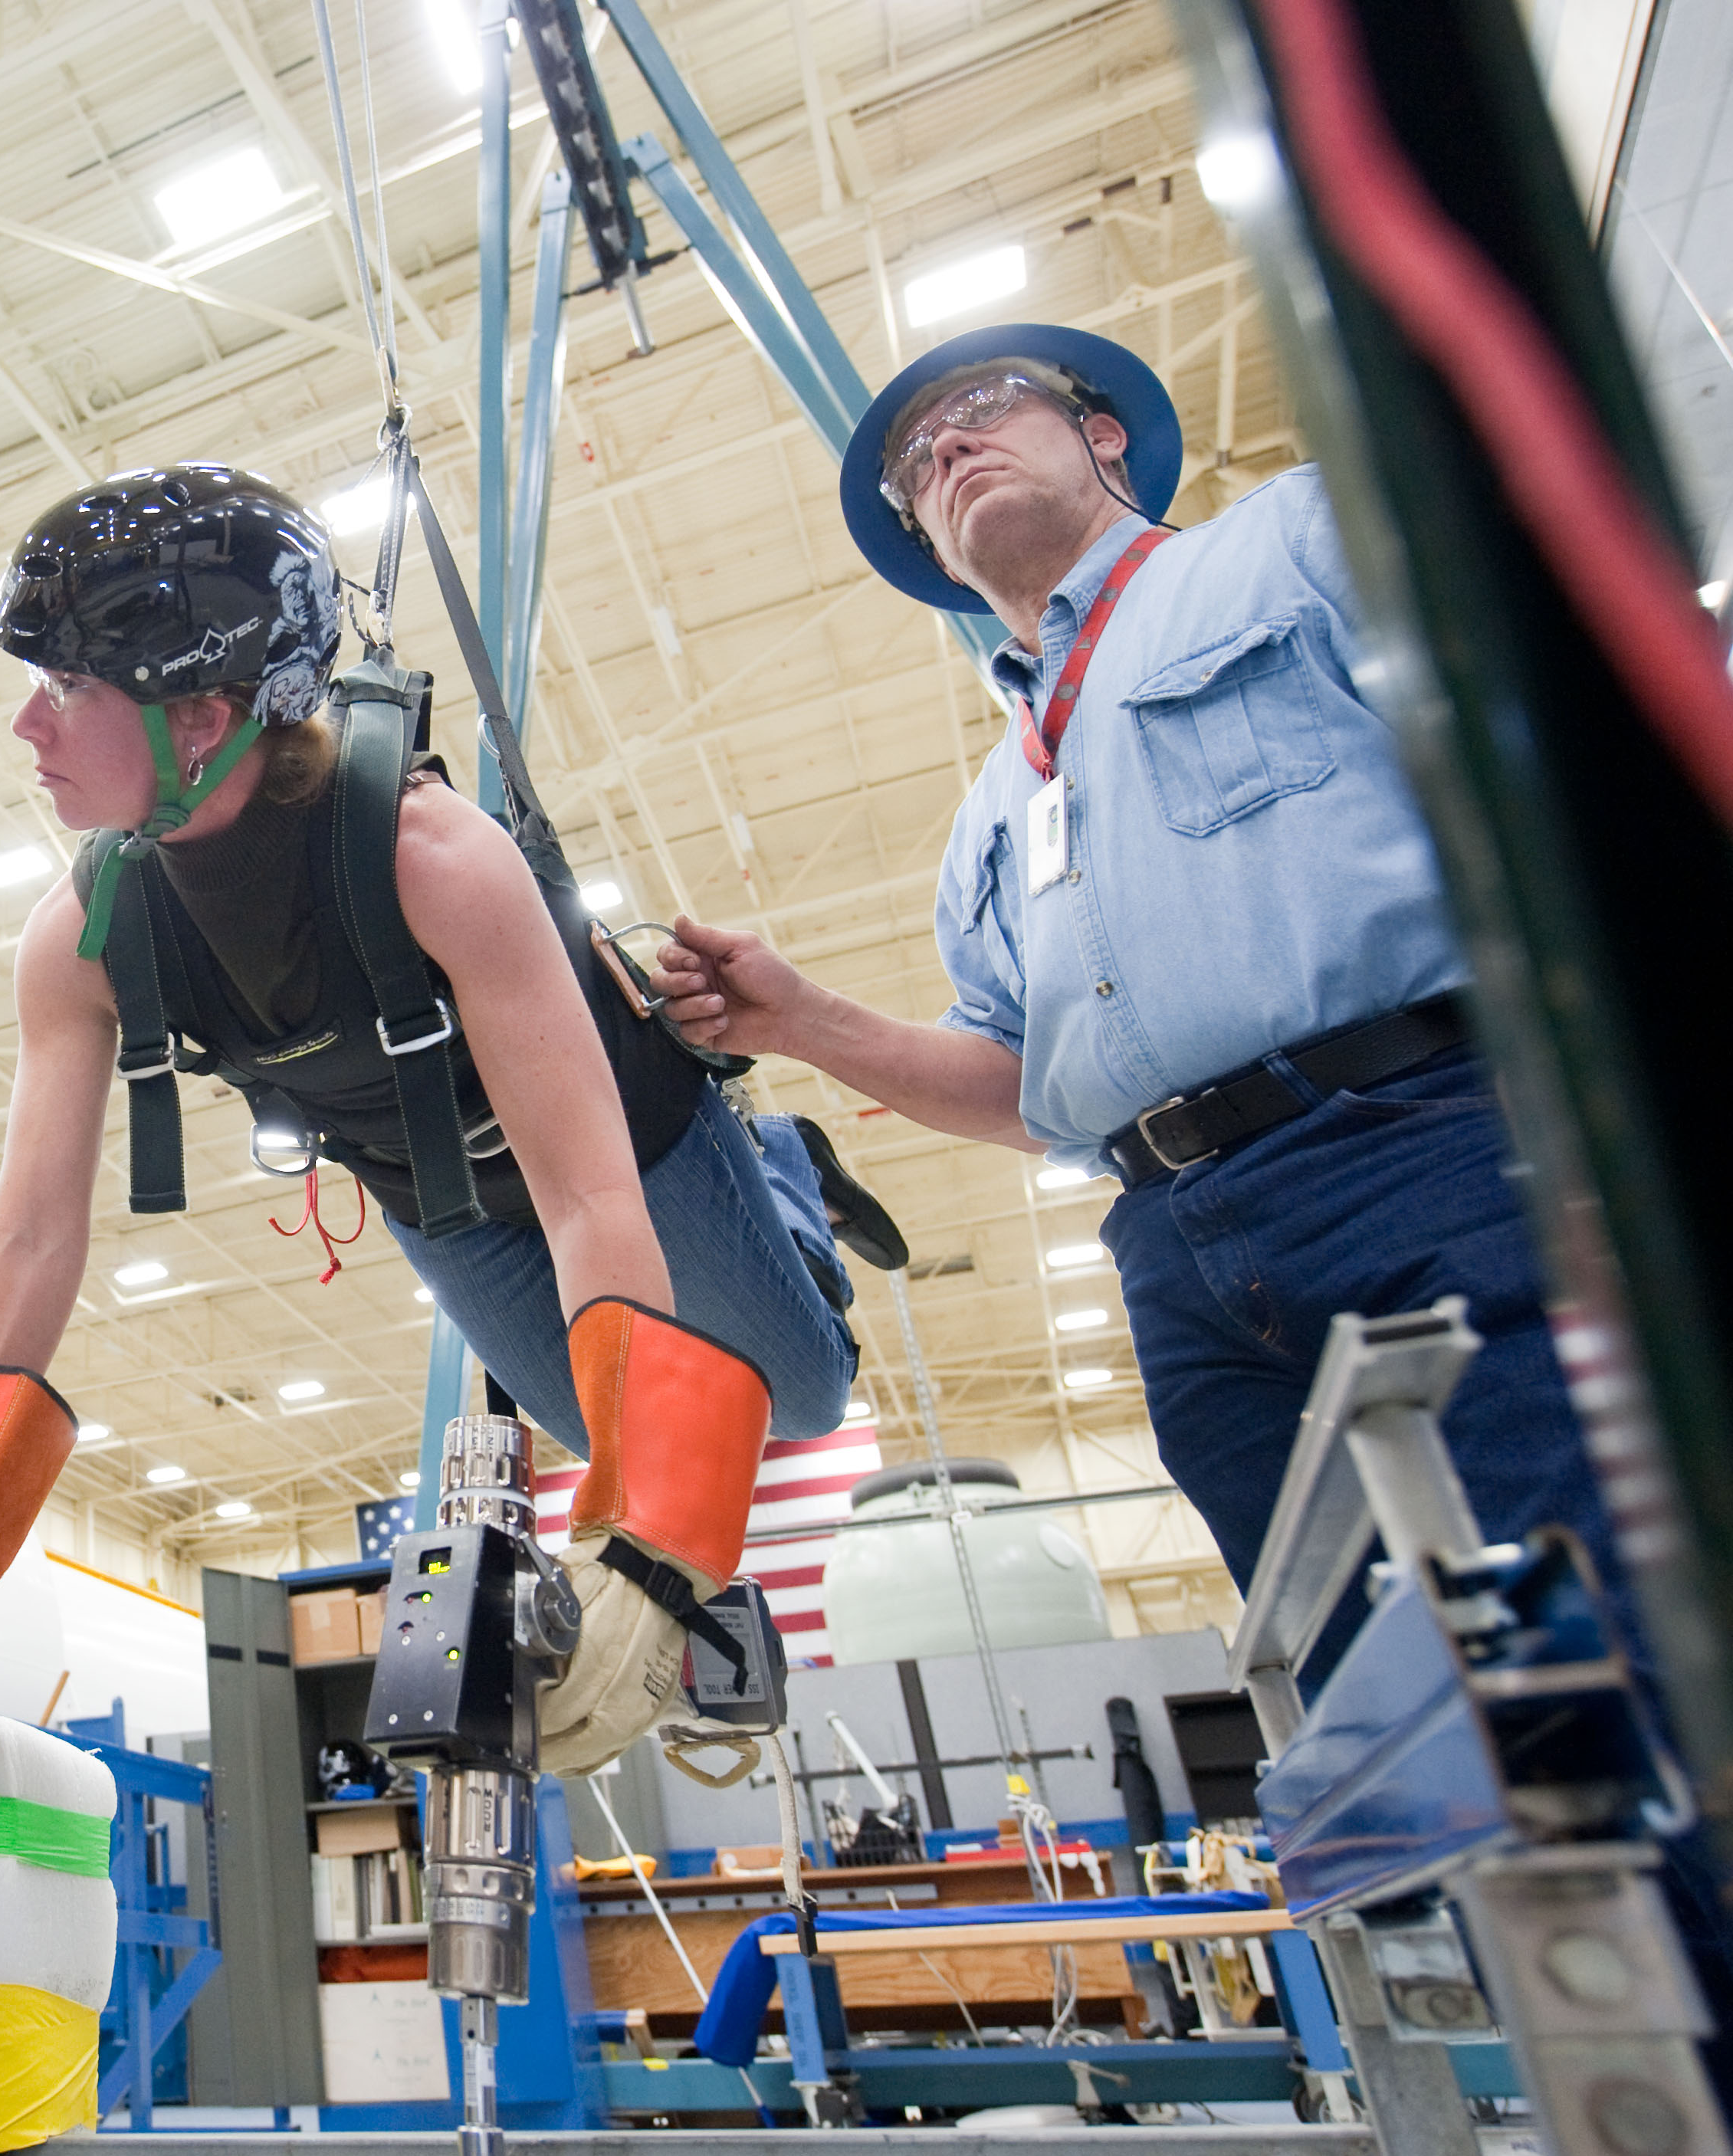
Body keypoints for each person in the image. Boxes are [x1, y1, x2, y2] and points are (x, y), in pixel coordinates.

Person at [0, 467, 900, 1814]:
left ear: (201, 715)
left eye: (70, 689)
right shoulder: (83, 935)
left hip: (627, 1146)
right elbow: (32, 1233)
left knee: (797, 1404)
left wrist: (660, 1539)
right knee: (577, 1424)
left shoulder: (436, 860)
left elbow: (589, 1197)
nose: (26, 724)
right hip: (442, 1197)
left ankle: (782, 1177)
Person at [645, 321, 1611, 1648]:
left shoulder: (1294, 548)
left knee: (1580, 1626)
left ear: (1103, 435)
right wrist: (799, 1019)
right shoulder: (991, 820)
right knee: (1368, 1691)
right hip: (1175, 1253)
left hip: (1430, 1148)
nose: (950, 446)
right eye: (918, 464)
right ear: (929, 544)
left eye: (987, 407)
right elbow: (1027, 1092)